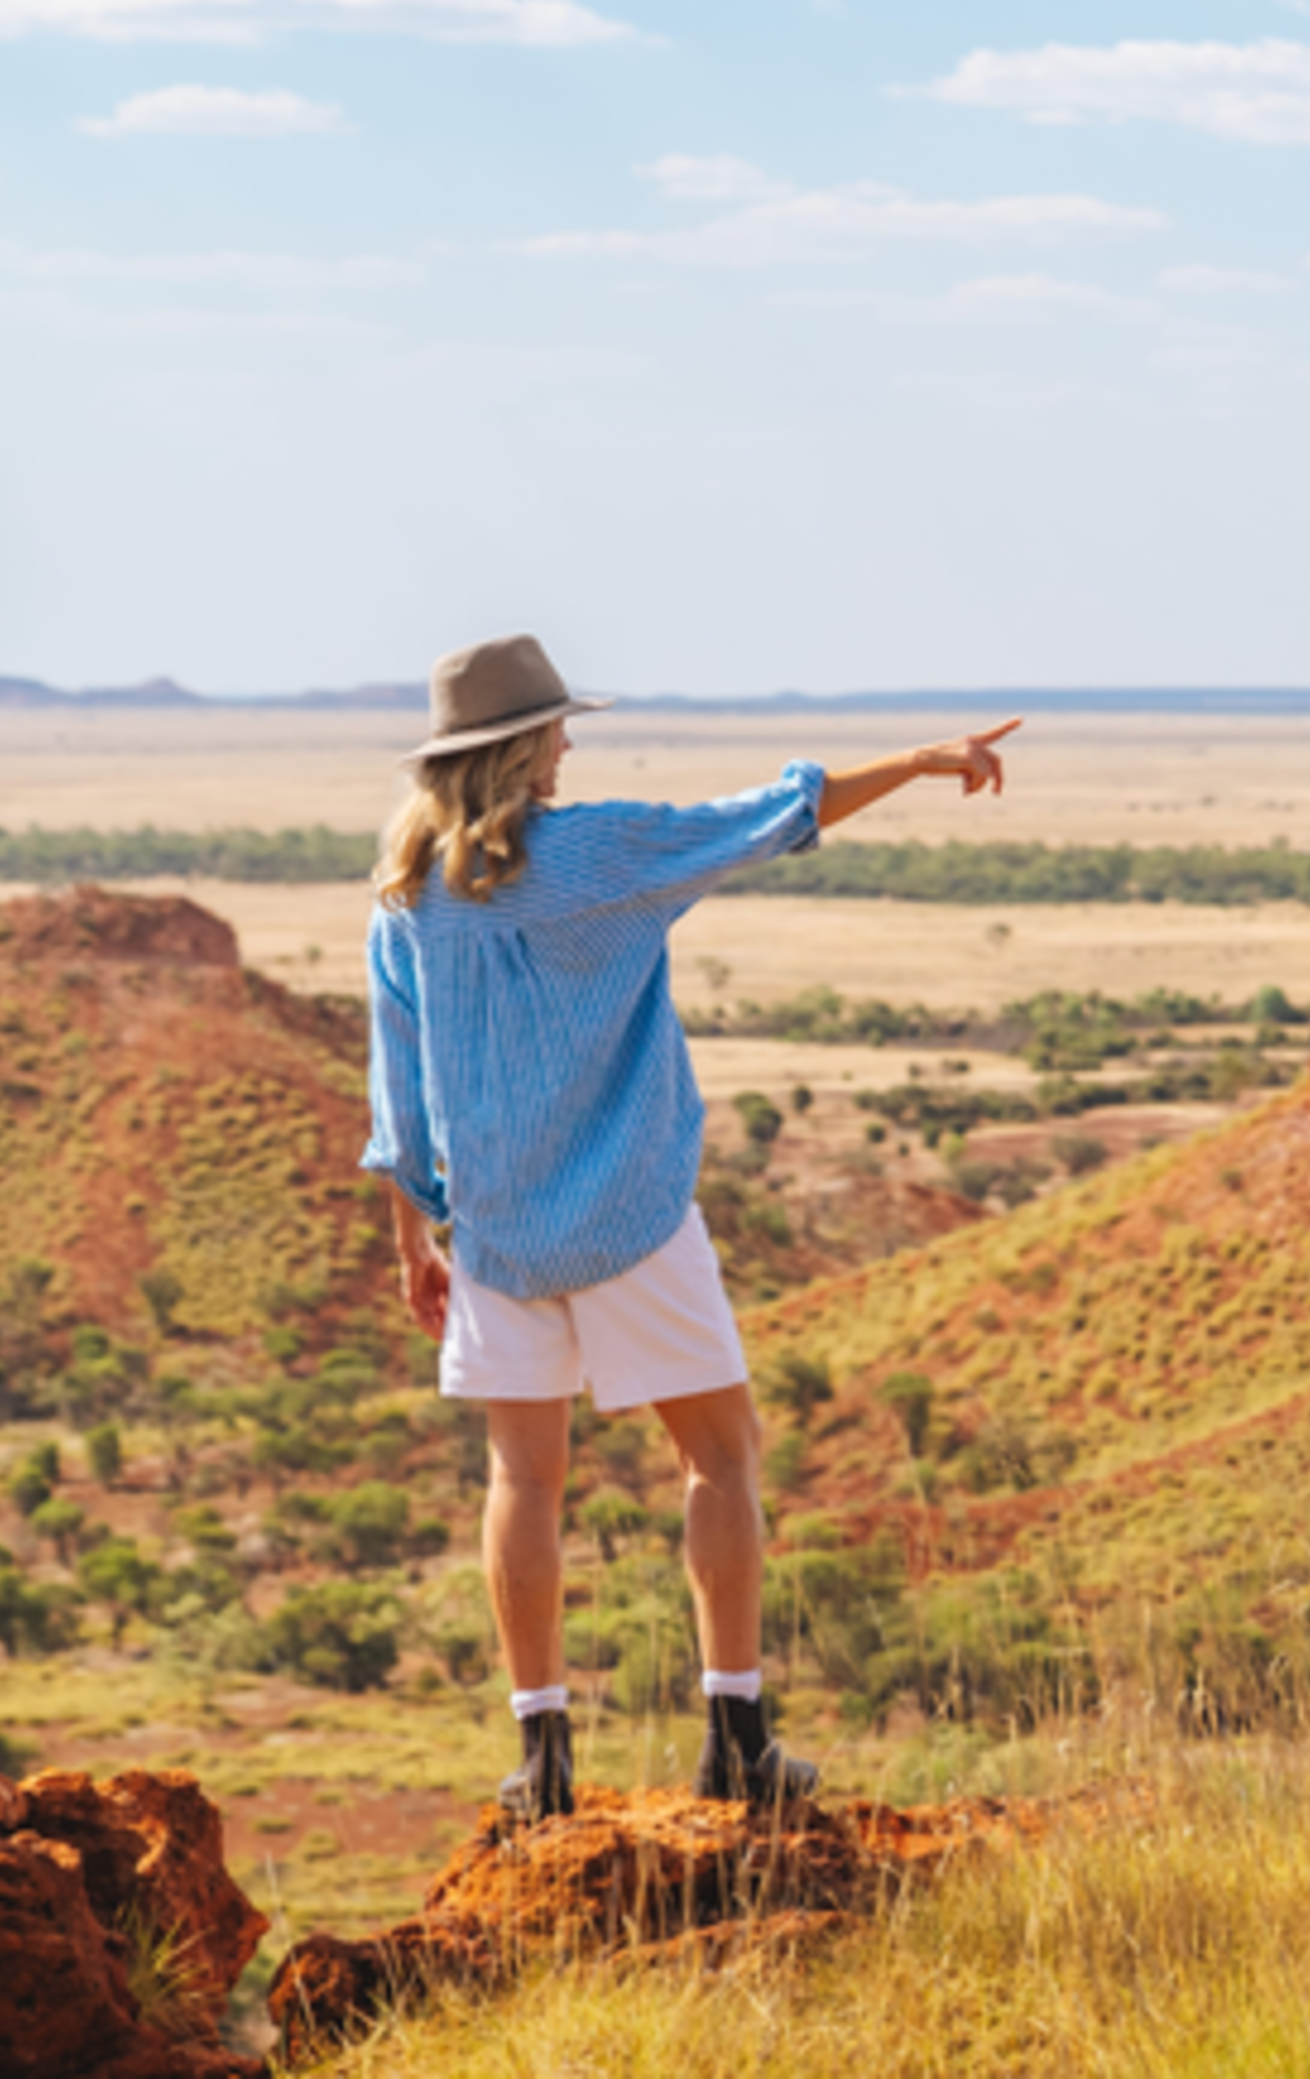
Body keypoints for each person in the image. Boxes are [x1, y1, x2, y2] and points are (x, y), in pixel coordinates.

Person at [360, 632, 1019, 1823]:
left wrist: (416, 1229)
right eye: (556, 727)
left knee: (524, 1478)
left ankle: (541, 1759)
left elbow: (394, 1083)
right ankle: (737, 1739)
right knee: (719, 1455)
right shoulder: (593, 852)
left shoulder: (406, 896)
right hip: (629, 1212)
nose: (569, 742)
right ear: (520, 749)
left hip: (497, 1230)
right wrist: (920, 762)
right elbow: (771, 818)